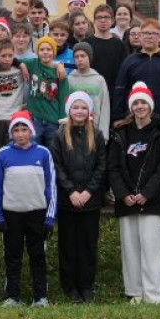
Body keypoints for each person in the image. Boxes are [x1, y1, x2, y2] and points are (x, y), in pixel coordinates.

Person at [108, 81, 160, 304]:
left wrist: (147, 192)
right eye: (135, 103)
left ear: (150, 105)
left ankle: (154, 295)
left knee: (151, 248)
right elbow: (113, 168)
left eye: (143, 102)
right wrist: (122, 193)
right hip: (126, 200)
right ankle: (134, 292)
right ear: (131, 107)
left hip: (152, 199)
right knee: (130, 249)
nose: (140, 106)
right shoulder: (120, 133)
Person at [0, 110, 57, 308]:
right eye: (16, 130)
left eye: (24, 129)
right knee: (12, 256)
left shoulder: (43, 153)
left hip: (37, 213)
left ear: (31, 131)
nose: (20, 134)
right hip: (11, 215)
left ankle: (40, 296)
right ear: (11, 133)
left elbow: (51, 186)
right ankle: (13, 296)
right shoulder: (2, 154)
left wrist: (50, 217)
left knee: (38, 256)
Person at [51, 92, 106, 303]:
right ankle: (70, 287)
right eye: (76, 107)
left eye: (83, 107)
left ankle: (86, 286)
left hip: (91, 201)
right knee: (68, 245)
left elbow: (101, 166)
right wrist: (71, 191)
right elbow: (57, 165)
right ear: (69, 111)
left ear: (89, 111)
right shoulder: (59, 135)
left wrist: (88, 191)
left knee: (88, 245)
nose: (80, 111)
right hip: (68, 201)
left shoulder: (97, 135)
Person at [22, 36, 69, 146]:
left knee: (52, 150)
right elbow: (17, 60)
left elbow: (64, 96)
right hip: (34, 118)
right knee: (33, 147)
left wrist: (62, 120)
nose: (45, 52)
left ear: (54, 52)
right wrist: (22, 66)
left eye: (49, 49)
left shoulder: (59, 72)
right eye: (42, 49)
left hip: (52, 120)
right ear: (37, 52)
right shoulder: (34, 63)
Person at [0, 40, 26, 164]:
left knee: (13, 152)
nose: (7, 59)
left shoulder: (20, 70)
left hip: (13, 118)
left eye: (10, 55)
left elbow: (43, 62)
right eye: (3, 56)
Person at [67, 42, 110, 139]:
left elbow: (105, 107)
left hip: (94, 130)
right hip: (74, 131)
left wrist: (104, 135)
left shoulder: (99, 80)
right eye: (76, 57)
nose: (80, 59)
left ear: (89, 57)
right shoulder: (69, 79)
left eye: (83, 56)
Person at [85, 4, 127, 98]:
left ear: (112, 21)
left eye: (106, 17)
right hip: (91, 91)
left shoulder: (119, 45)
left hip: (113, 93)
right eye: (99, 17)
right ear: (94, 21)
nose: (103, 20)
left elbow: (123, 72)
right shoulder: (86, 44)